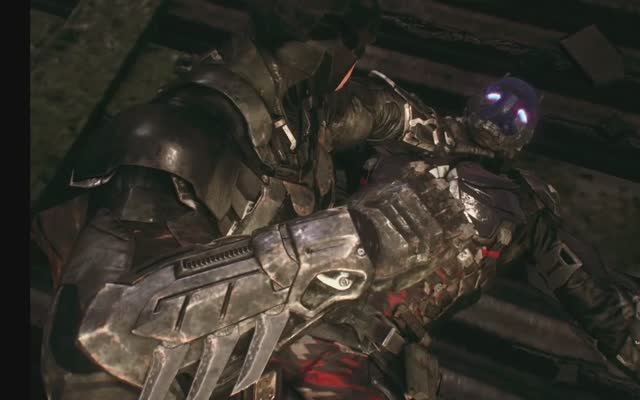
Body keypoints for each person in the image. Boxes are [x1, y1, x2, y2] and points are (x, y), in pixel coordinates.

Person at [32, 0, 638, 398]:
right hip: (267, 371)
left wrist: (468, 140)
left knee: (510, 205)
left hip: (345, 352)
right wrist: (354, 239)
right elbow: (98, 344)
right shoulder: (175, 143)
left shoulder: (312, 114)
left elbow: (404, 119)